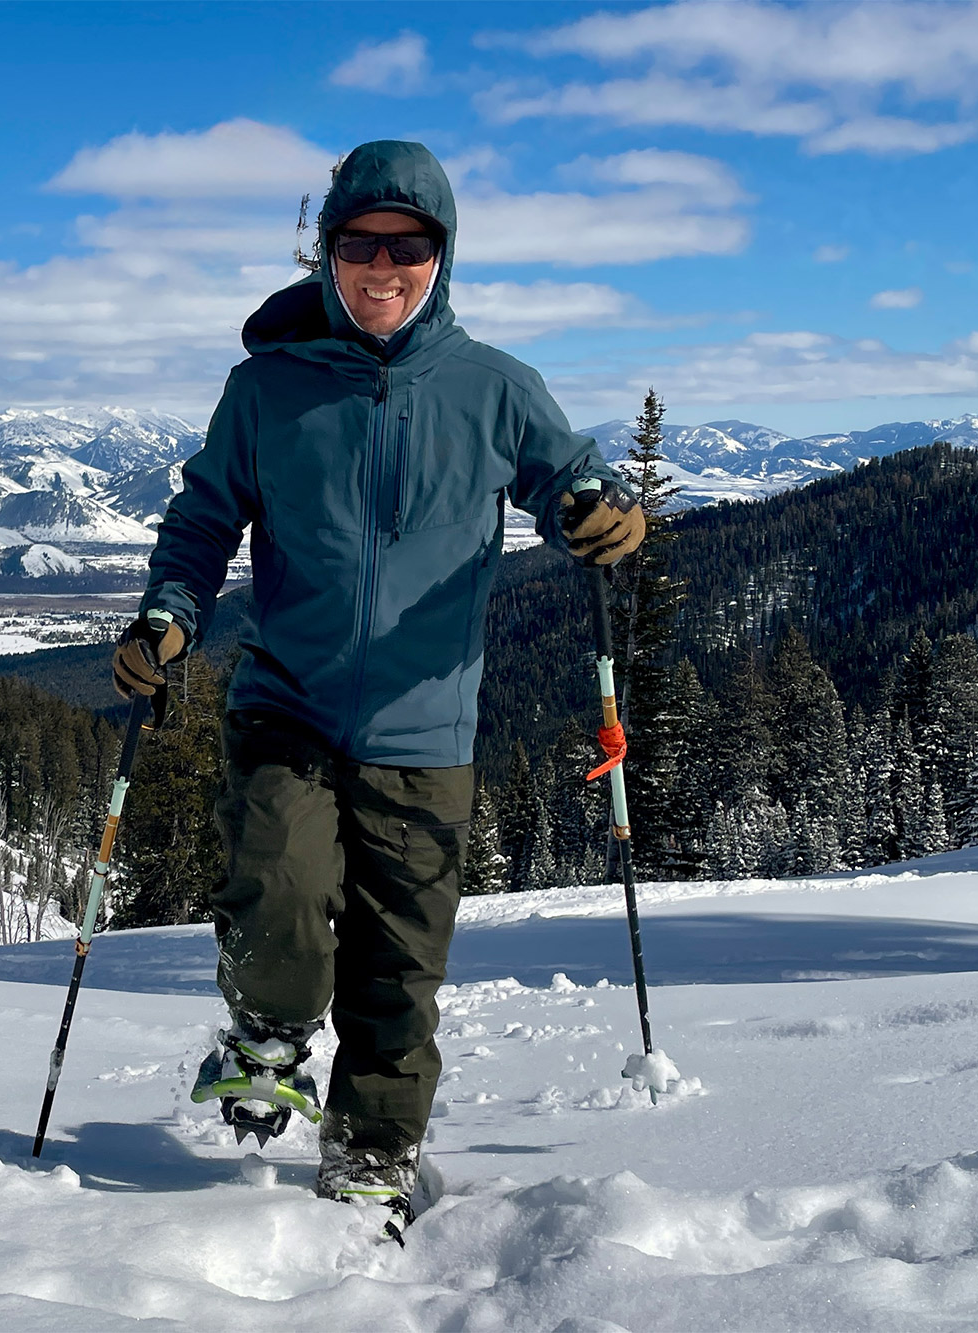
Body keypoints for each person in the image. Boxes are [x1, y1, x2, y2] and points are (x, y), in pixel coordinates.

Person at [111, 140, 644, 1226]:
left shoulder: (494, 388)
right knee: (285, 893)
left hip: (425, 723)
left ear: (442, 256)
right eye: (360, 243)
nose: (383, 266)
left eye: (409, 245)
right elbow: (204, 518)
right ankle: (264, 1029)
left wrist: (599, 506)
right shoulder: (267, 390)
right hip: (286, 702)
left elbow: (569, 476)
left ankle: (372, 1144)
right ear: (326, 253)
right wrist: (168, 615)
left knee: (399, 970)